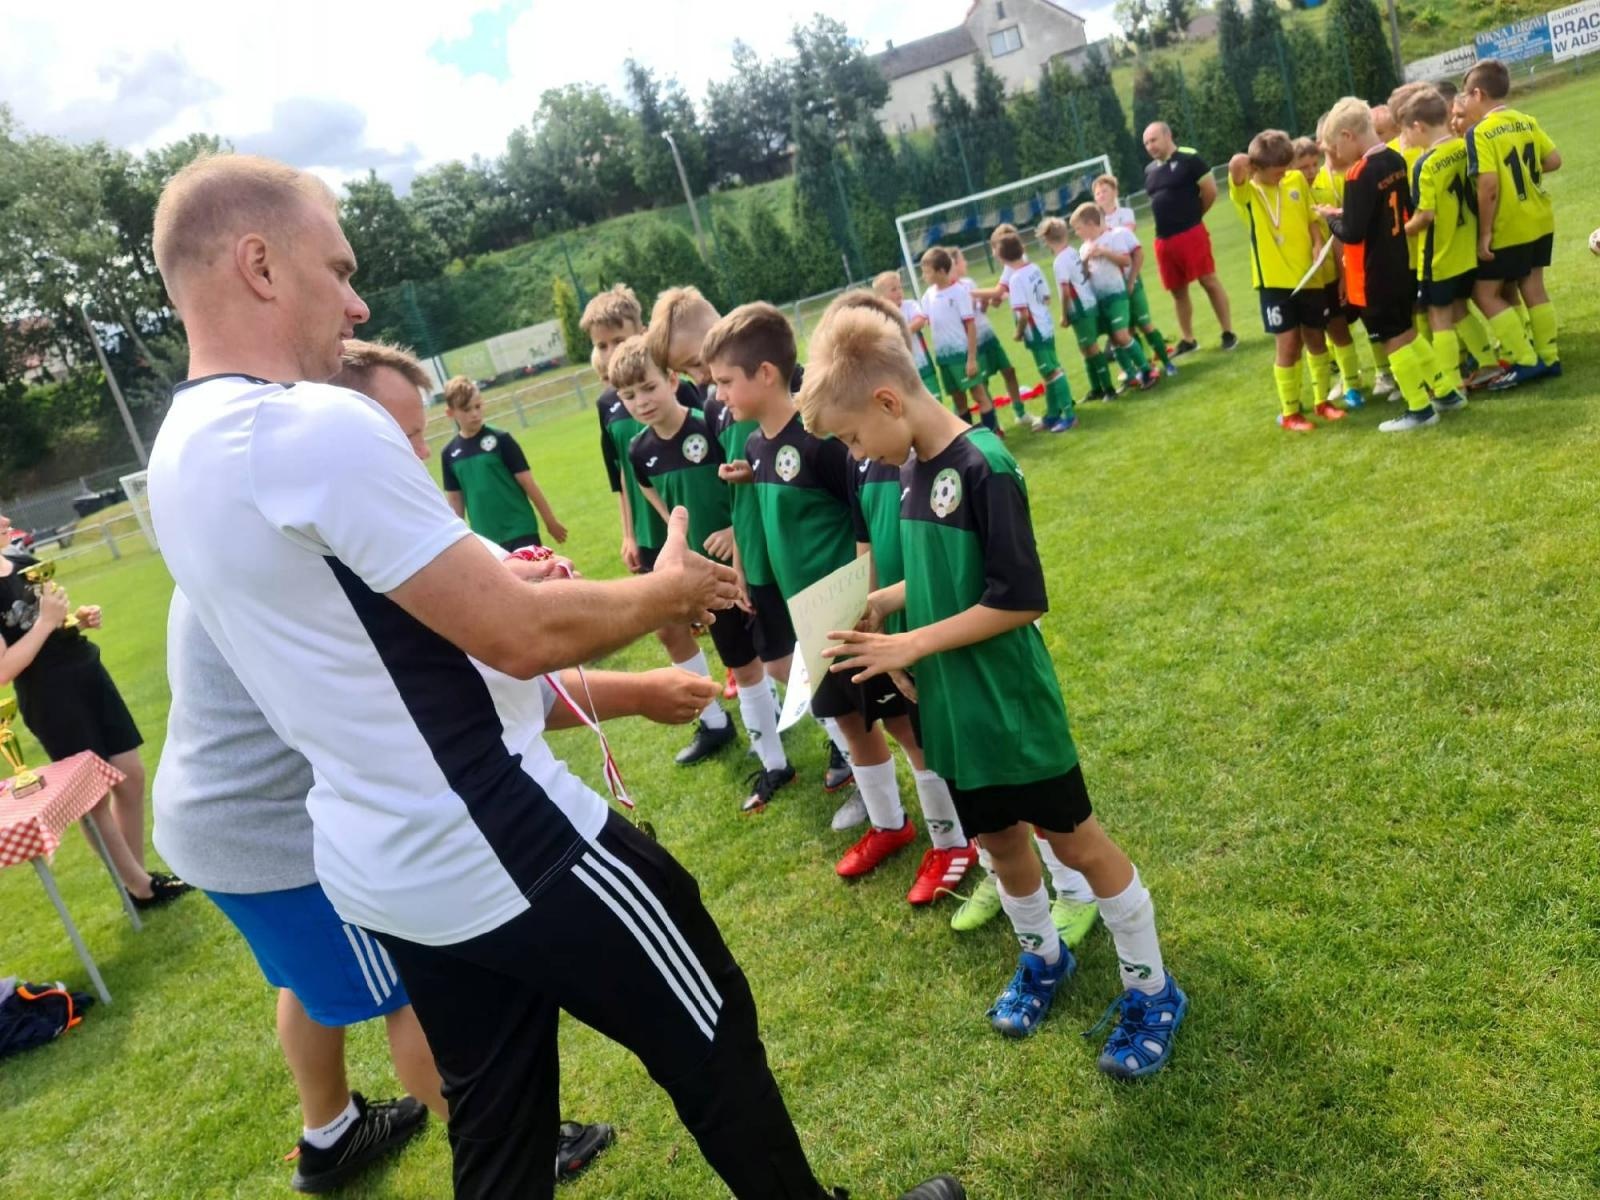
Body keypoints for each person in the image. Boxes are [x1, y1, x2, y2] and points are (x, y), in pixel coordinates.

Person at [144, 152, 960, 1200]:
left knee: (497, 1128)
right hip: (498, 832)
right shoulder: (306, 421)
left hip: (382, 860)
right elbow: (518, 637)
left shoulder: (180, 451)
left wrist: (481, 570)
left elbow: (358, 628)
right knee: (710, 1022)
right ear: (258, 263)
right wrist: (670, 594)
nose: (355, 302)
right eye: (338, 268)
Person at [154, 338, 630, 1193]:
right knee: (412, 988)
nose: (410, 455)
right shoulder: (319, 526)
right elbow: (489, 666)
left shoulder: (250, 518)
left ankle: (330, 1132)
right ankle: (516, 1139)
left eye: (418, 435)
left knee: (309, 981)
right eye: (393, 434)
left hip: (207, 826)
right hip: (275, 835)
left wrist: (495, 577)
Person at [800, 301, 1185, 1072]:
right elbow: (947, 575)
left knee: (1072, 838)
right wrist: (887, 602)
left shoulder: (984, 467)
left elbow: (1017, 596)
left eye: (849, 436)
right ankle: (1044, 957)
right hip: (953, 708)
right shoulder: (907, 469)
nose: (854, 453)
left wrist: (911, 640)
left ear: (888, 401)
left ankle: (1152, 988)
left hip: (1011, 707)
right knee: (1000, 842)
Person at [707, 302, 923, 880]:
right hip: (810, 617)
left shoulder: (823, 439)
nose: (718, 393)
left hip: (852, 609)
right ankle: (889, 823)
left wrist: (867, 597)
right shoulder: (754, 446)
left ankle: (953, 836)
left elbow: (861, 518)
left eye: (726, 381)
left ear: (767, 374)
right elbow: (778, 508)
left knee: (901, 723)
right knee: (848, 725)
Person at [646, 286, 856, 798]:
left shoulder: (790, 387)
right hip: (758, 555)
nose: (699, 381)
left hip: (802, 553)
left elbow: (831, 473)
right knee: (781, 659)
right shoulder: (720, 401)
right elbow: (760, 464)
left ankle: (849, 749)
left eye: (698, 364)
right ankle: (837, 741)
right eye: (694, 372)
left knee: (818, 662)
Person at [611, 335, 795, 814]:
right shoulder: (638, 450)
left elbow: (745, 478)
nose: (642, 401)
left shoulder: (710, 422)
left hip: (750, 563)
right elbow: (661, 503)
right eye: (629, 396)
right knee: (744, 666)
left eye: (648, 387)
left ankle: (840, 743)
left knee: (784, 657)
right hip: (707, 580)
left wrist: (735, 530)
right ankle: (773, 763)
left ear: (672, 380)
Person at [0, 517, 189, 910]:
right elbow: (3, 670)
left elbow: (49, 619)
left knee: (131, 775)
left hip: (85, 667)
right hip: (50, 695)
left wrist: (75, 618)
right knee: (93, 797)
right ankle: (141, 887)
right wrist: (48, 623)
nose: (6, 521)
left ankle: (136, 881)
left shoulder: (21, 558)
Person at [582, 283, 735, 766]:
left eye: (616, 339)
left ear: (642, 331)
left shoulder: (680, 387)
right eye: (600, 345)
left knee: (725, 619)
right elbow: (622, 476)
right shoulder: (610, 401)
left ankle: (751, 690)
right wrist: (629, 532)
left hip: (694, 521)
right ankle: (713, 720)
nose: (608, 353)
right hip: (655, 527)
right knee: (670, 630)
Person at [1316, 98, 1467, 433]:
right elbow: (1398, 209)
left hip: (1372, 273)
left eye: (1335, 146)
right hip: (1401, 262)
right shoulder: (1395, 158)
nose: (1336, 155)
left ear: (1348, 135)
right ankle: (1445, 392)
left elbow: (1353, 233)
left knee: (1391, 339)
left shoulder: (1358, 173)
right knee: (1409, 332)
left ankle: (1418, 408)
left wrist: (1330, 219)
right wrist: (1347, 215)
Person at [1226, 130, 1344, 432]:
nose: (1283, 176)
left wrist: (1317, 242)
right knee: (1289, 344)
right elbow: (1236, 165)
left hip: (1310, 275)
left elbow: (1309, 219)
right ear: (1258, 169)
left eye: (1285, 170)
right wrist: (1251, 161)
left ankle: (1322, 402)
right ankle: (1291, 412)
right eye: (1277, 172)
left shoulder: (1294, 182)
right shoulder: (1248, 194)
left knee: (1316, 338)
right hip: (1275, 284)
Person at [1460, 57, 1563, 388]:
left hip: (1509, 223)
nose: (1463, 103)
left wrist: (1485, 232)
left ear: (1478, 94)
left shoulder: (1481, 133)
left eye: (1465, 96)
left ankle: (1524, 358)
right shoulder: (1526, 120)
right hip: (1539, 217)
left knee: (1484, 292)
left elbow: (1488, 186)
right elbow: (1553, 160)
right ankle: (1549, 356)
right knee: (1533, 285)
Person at [1399, 87, 1487, 404]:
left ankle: (1451, 384)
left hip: (1438, 255)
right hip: (1466, 247)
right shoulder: (1466, 147)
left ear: (1419, 127)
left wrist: (1398, 232)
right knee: (1461, 308)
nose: (1406, 138)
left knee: (1439, 318)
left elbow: (1425, 216)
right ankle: (1489, 363)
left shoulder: (1426, 163)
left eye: (1406, 131)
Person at [1141, 121, 1238, 354]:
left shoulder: (1190, 158)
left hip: (1191, 233)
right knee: (1177, 291)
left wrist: (1194, 218)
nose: (1150, 146)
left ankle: (1228, 332)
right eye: (1146, 143)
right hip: (1164, 240)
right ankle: (1188, 339)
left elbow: (1210, 191)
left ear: (1167, 135)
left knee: (1208, 280)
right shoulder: (1150, 171)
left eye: (1153, 140)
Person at [440, 376, 567, 552]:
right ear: (450, 413)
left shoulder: (502, 440)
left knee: (536, 579)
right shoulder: (449, 454)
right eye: (467, 409)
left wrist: (550, 520)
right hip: (486, 539)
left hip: (521, 528)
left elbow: (528, 482)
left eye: (478, 406)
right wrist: (458, 543)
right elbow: (455, 500)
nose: (475, 414)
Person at [1295, 132, 1367, 409]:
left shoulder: (1326, 192)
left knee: (1339, 330)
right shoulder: (1290, 198)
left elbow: (1337, 239)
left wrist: (1343, 277)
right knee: (1314, 337)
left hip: (1330, 277)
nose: (1311, 171)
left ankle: (1353, 385)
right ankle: (1322, 394)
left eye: (1314, 164)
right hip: (1304, 281)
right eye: (1304, 167)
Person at [1092, 174, 1178, 377]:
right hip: (1113, 285)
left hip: (1131, 276)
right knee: (1127, 329)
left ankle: (1167, 362)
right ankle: (1145, 364)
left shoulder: (1125, 214)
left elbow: (1125, 236)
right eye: (1097, 193)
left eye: (1105, 190)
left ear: (1115, 192)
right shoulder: (1094, 223)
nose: (1101, 195)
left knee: (1145, 322)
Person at [1069, 205, 1162, 392]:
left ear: (1090, 224)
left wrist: (1104, 252)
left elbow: (1126, 261)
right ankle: (1130, 375)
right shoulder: (1083, 248)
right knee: (1113, 338)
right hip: (1100, 300)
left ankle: (1146, 370)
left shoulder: (1112, 237)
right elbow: (1084, 277)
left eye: (1078, 228)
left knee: (1122, 334)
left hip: (1117, 295)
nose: (1077, 233)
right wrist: (1085, 261)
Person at [992, 232, 1077, 431]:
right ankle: (1053, 414)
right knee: (1048, 372)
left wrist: (1019, 333)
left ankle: (1069, 416)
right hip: (1045, 323)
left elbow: (1022, 314)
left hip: (1035, 330)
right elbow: (1047, 298)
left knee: (1052, 371)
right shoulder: (1034, 268)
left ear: (1002, 257)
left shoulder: (1015, 279)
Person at [1039, 217, 1118, 403]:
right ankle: (1096, 388)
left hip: (1080, 309)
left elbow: (1066, 291)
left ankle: (1109, 389)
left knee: (1091, 348)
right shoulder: (1073, 251)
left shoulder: (1059, 261)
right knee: (1085, 349)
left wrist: (1064, 315)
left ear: (1047, 241)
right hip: (1088, 302)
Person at [920, 248, 998, 433]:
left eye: (927, 271)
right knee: (958, 400)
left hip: (962, 355)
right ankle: (970, 439)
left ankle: (992, 435)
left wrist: (971, 358)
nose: (924, 276)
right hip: (944, 359)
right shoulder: (928, 296)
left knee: (979, 395)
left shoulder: (959, 293)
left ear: (941, 271)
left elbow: (970, 326)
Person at [873, 270, 941, 401]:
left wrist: (898, 334)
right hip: (899, 372)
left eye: (900, 287)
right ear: (881, 297)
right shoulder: (878, 316)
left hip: (922, 364)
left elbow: (920, 321)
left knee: (935, 401)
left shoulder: (910, 305)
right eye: (893, 289)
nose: (899, 291)